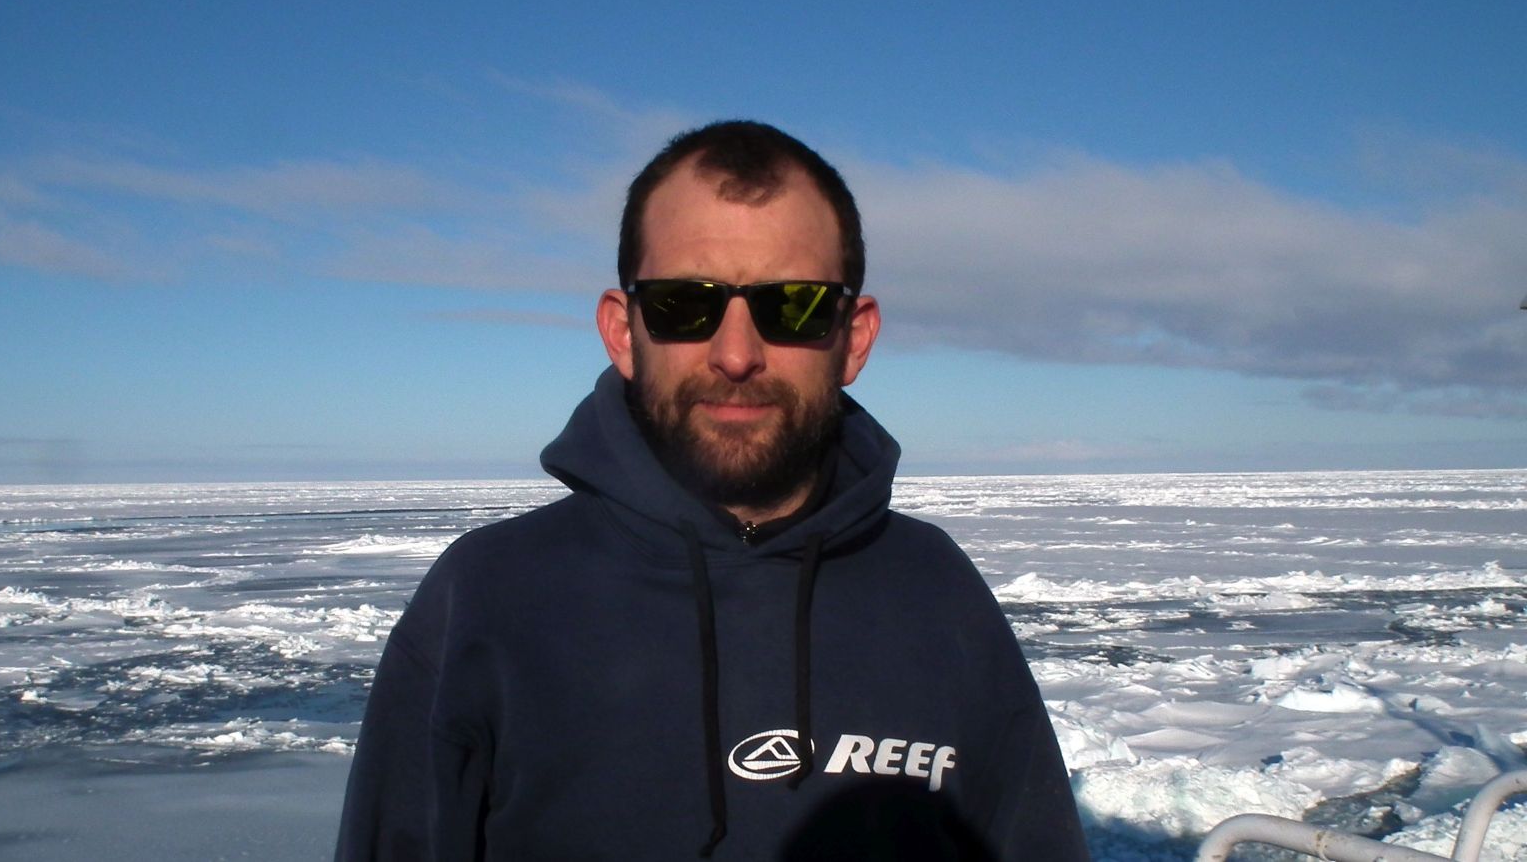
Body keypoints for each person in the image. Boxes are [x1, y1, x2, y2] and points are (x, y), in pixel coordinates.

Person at [335, 121, 1089, 861]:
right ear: (624, 332)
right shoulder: (490, 596)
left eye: (792, 304)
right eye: (683, 305)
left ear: (853, 336)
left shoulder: (938, 594)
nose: (736, 354)